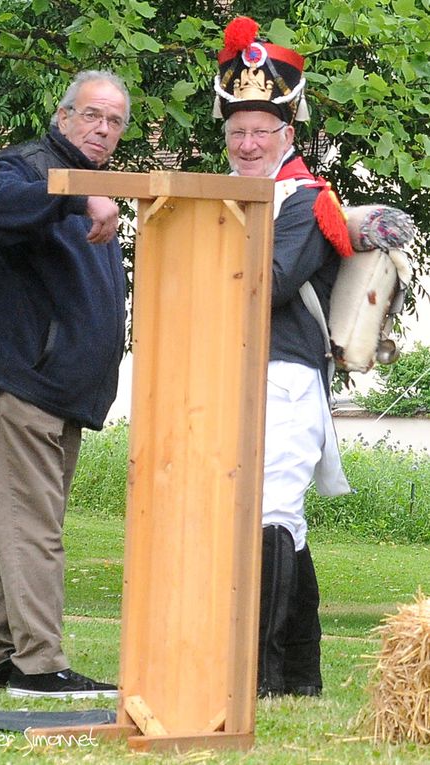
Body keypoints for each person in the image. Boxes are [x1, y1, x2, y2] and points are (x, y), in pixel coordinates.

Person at [0, 70, 130, 698]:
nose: (102, 129)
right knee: (35, 526)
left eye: (114, 122)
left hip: (62, 390)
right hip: (23, 379)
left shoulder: (97, 186)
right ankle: (40, 666)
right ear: (63, 117)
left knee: (16, 523)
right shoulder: (27, 169)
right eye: (91, 115)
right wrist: (74, 197)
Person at [213, 17, 351, 697]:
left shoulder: (305, 200)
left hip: (288, 374)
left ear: (286, 136)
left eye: (260, 130)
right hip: (226, 369)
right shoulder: (219, 198)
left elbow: (267, 281)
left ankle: (264, 675)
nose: (246, 142)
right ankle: (299, 675)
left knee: (273, 512)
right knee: (265, 517)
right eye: (237, 129)